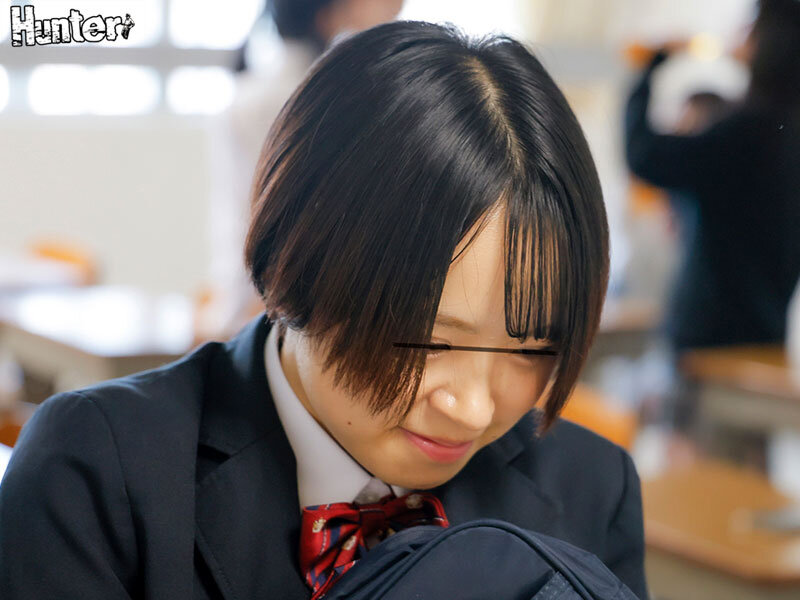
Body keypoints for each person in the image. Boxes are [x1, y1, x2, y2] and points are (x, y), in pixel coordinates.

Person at [0, 21, 648, 600]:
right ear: (299, 261)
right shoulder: (97, 473)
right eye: (429, 342)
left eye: (532, 349)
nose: (474, 409)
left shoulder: (593, 487)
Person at [204, 0, 404, 340]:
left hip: (280, 312)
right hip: (307, 316)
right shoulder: (321, 96)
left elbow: (238, 224)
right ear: (330, 13)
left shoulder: (256, 94)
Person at [624, 0, 800, 355]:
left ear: (772, 40)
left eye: (752, 26)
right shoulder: (784, 129)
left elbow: (645, 155)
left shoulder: (749, 131)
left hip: (713, 336)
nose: (742, 33)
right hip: (768, 331)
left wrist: (652, 64)